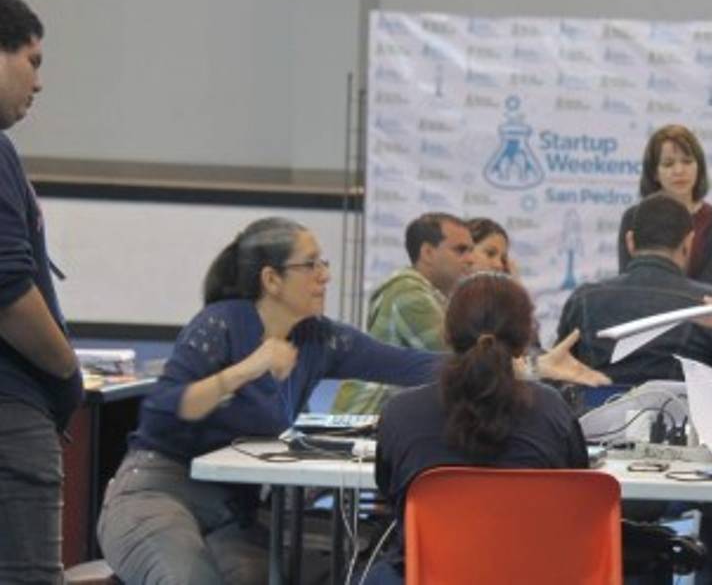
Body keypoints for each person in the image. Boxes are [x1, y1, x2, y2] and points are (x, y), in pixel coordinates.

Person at [95, 217, 602, 584]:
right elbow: (166, 408)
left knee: (282, 573)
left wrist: (528, 367)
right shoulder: (221, 324)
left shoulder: (320, 338)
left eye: (324, 262)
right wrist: (245, 369)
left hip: (233, 512)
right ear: (271, 279)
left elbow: (417, 365)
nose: (325, 274)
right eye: (311, 264)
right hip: (159, 493)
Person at [362, 272, 588, 584]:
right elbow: (576, 489)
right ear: (525, 340)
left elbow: (389, 490)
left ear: (446, 334)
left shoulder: (400, 412)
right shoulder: (552, 410)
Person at [0, 0, 83, 584]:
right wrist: (65, 371)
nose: (39, 82)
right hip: (12, 415)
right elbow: (7, 292)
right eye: (32, 61)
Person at [561, 193, 712, 386]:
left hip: (596, 406)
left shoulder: (583, 300)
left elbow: (556, 375)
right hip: (685, 406)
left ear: (630, 242)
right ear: (688, 243)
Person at [331, 212, 474, 414]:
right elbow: (458, 361)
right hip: (362, 420)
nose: (471, 259)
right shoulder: (407, 292)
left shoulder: (433, 294)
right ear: (427, 252)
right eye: (460, 250)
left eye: (471, 251)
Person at [617, 124, 712, 286]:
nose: (679, 171)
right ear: (655, 173)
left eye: (687, 161)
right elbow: (627, 279)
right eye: (668, 164)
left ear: (699, 167)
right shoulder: (633, 217)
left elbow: (709, 287)